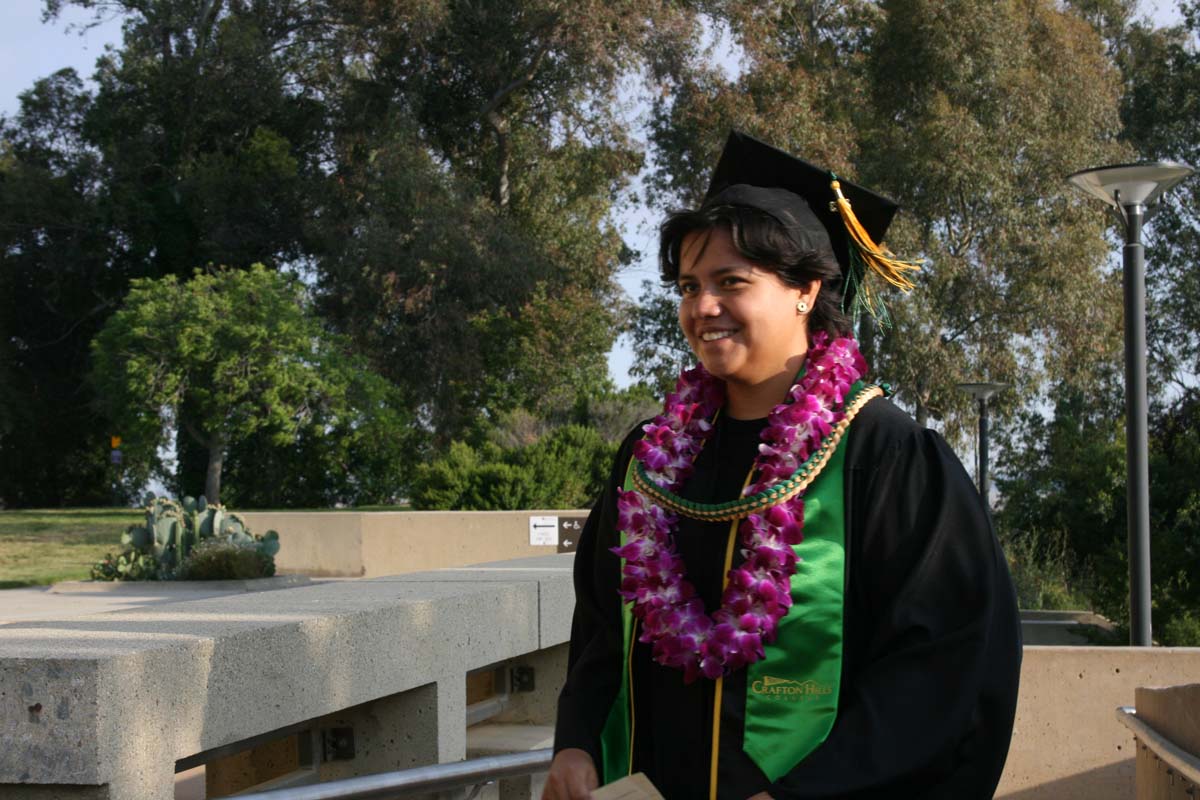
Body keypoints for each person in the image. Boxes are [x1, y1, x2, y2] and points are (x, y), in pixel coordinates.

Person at [543, 131, 1022, 800]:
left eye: (730, 282)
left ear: (806, 289)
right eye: (688, 286)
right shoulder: (652, 459)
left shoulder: (886, 457)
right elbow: (602, 623)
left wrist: (808, 792)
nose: (701, 307)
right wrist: (577, 741)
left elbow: (939, 671)